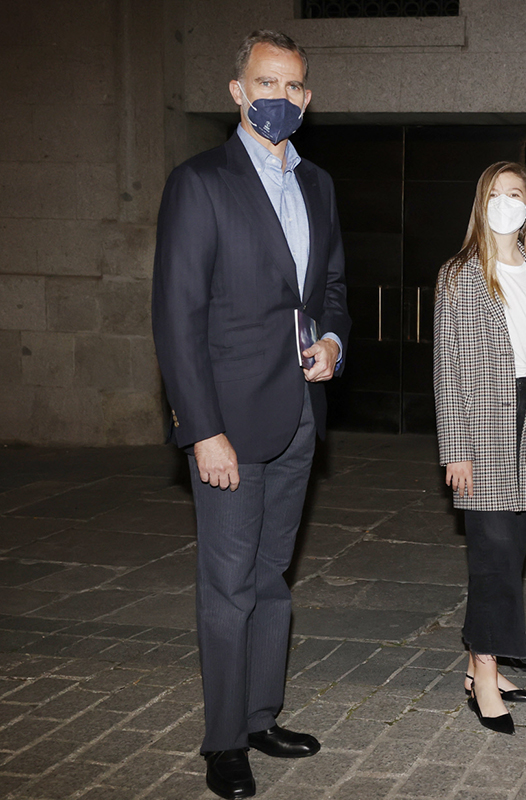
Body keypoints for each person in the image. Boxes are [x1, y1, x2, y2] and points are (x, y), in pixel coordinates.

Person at [151, 30, 350, 800]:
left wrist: (333, 342)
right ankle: (224, 741)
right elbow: (177, 316)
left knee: (272, 578)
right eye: (267, 82)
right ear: (237, 89)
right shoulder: (199, 183)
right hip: (229, 423)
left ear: (307, 96)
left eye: (295, 87)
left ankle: (263, 715)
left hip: (301, 412)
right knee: (228, 585)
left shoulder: (319, 185)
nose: (282, 97)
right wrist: (202, 430)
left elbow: (330, 287)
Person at [434, 161, 526, 734]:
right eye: (494, 193)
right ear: (480, 202)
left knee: (511, 554)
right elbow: (449, 370)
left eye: (514, 194)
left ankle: (477, 663)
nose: (505, 202)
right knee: (492, 556)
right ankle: (487, 677)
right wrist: (456, 449)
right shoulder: (460, 274)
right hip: (482, 425)